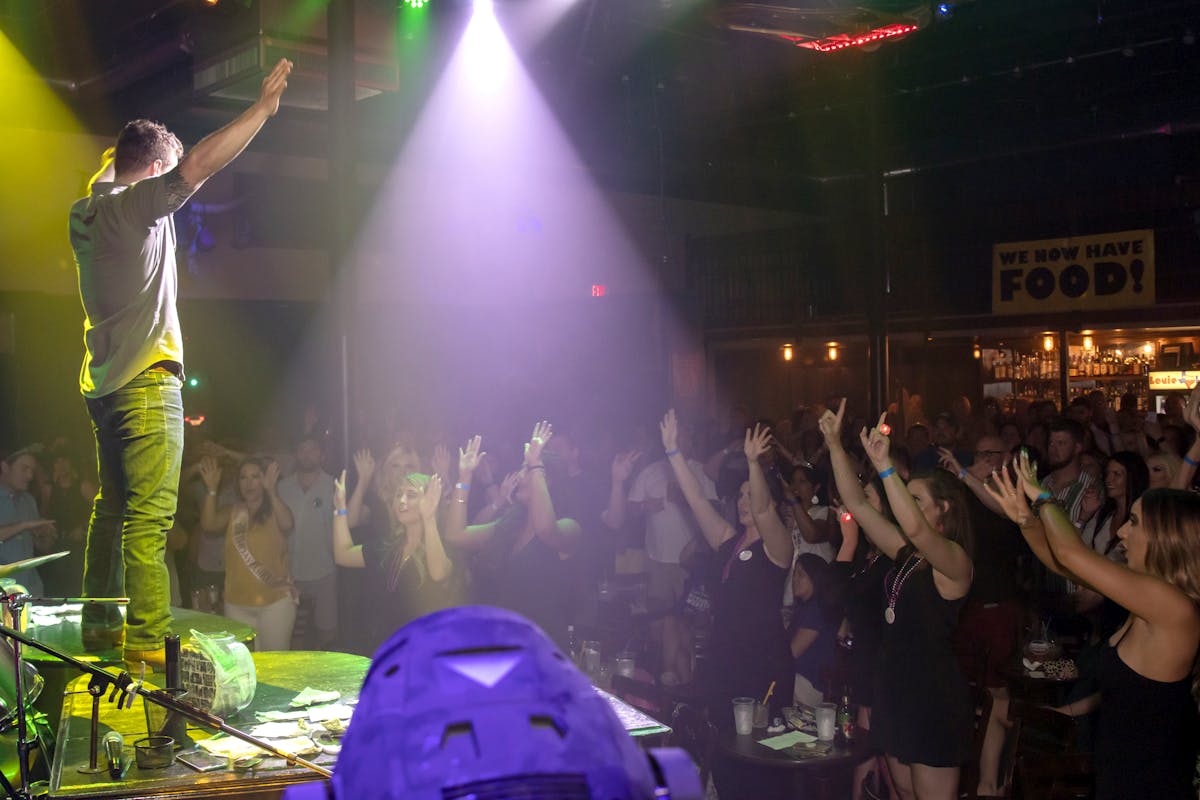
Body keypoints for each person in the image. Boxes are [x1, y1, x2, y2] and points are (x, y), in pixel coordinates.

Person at [68, 59, 293, 668]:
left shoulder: (87, 211)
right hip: (145, 383)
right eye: (166, 172)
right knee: (149, 516)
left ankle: (96, 626)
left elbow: (119, 167)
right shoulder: (133, 208)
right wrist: (261, 110)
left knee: (111, 507)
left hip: (106, 389)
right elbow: (199, 164)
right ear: (153, 172)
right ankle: (145, 640)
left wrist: (132, 153)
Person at [987, 453, 1200, 800]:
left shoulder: (1173, 606)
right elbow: (1065, 565)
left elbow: (1072, 555)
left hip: (1151, 785)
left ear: (1166, 536)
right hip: (1119, 775)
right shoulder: (1144, 597)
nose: (1122, 530)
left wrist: (1043, 498)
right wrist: (1026, 520)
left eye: (1134, 522)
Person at [821, 400, 974, 800]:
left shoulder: (955, 561)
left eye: (917, 499)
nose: (907, 506)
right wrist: (835, 445)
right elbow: (856, 504)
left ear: (944, 509)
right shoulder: (908, 557)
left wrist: (887, 467)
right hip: (896, 691)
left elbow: (918, 531)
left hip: (933, 699)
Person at [444, 426, 581, 650]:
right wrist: (464, 476)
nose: (519, 475)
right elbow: (455, 535)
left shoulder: (569, 527)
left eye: (525, 470)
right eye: (523, 468)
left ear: (547, 479)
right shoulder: (509, 526)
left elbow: (546, 531)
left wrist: (535, 465)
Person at [332, 461, 453, 650]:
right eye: (398, 495)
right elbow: (343, 555)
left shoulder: (440, 548)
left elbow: (438, 574)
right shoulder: (388, 547)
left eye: (411, 495)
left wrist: (429, 518)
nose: (401, 501)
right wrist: (340, 509)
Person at [199, 456, 297, 651]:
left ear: (265, 480)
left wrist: (272, 492)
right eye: (243, 477)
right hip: (236, 605)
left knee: (275, 666)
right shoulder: (232, 511)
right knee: (244, 668)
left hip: (275, 603)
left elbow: (288, 524)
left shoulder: (275, 510)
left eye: (255, 477)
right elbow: (208, 525)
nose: (249, 483)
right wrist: (211, 489)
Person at [276, 435, 338, 649]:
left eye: (312, 449)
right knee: (292, 633)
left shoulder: (334, 486)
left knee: (326, 631)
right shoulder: (282, 487)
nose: (306, 454)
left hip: (324, 570)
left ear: (322, 455)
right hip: (289, 574)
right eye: (302, 449)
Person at [0, 447, 54, 595]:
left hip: (31, 589)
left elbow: (42, 548)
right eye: (24, 469)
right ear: (5, 467)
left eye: (32, 470)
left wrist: (44, 536)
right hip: (3, 593)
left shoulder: (28, 500)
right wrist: (23, 525)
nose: (30, 476)